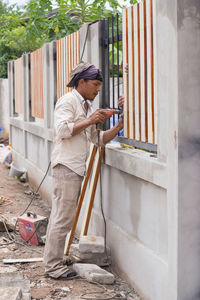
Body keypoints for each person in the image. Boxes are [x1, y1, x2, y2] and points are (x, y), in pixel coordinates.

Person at [43, 61, 123, 280]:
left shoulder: (85, 106)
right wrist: (90, 120)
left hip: (75, 168)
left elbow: (97, 140)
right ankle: (53, 267)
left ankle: (54, 260)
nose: (98, 89)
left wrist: (117, 126)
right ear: (81, 82)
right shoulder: (67, 102)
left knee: (61, 218)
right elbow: (62, 130)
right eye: (95, 84)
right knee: (63, 219)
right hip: (66, 167)